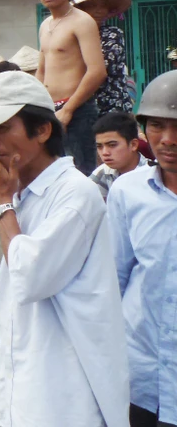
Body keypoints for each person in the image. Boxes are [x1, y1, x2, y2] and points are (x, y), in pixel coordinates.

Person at [0, 71, 128, 427]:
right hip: (11, 385)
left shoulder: (75, 196)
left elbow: (29, 280)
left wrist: (2, 202)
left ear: (42, 131)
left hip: (57, 398)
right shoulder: (19, 182)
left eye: (1, 128)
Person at [107, 71, 177, 427]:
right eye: (156, 126)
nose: (167, 140)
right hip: (141, 376)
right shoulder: (127, 192)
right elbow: (115, 277)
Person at [35, 0, 107, 175]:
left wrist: (68, 110)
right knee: (53, 172)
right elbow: (41, 71)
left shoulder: (82, 21)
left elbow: (97, 71)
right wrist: (38, 107)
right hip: (51, 111)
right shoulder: (45, 24)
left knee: (80, 174)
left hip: (77, 111)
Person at [73, 0, 134, 116]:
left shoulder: (113, 34)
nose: (99, 10)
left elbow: (102, 69)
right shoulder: (73, 37)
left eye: (102, 6)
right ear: (81, 9)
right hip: (81, 107)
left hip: (112, 106)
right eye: (93, 6)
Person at [90, 112, 148, 199]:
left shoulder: (152, 174)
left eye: (112, 145)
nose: (105, 152)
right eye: (99, 146)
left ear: (133, 144)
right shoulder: (103, 172)